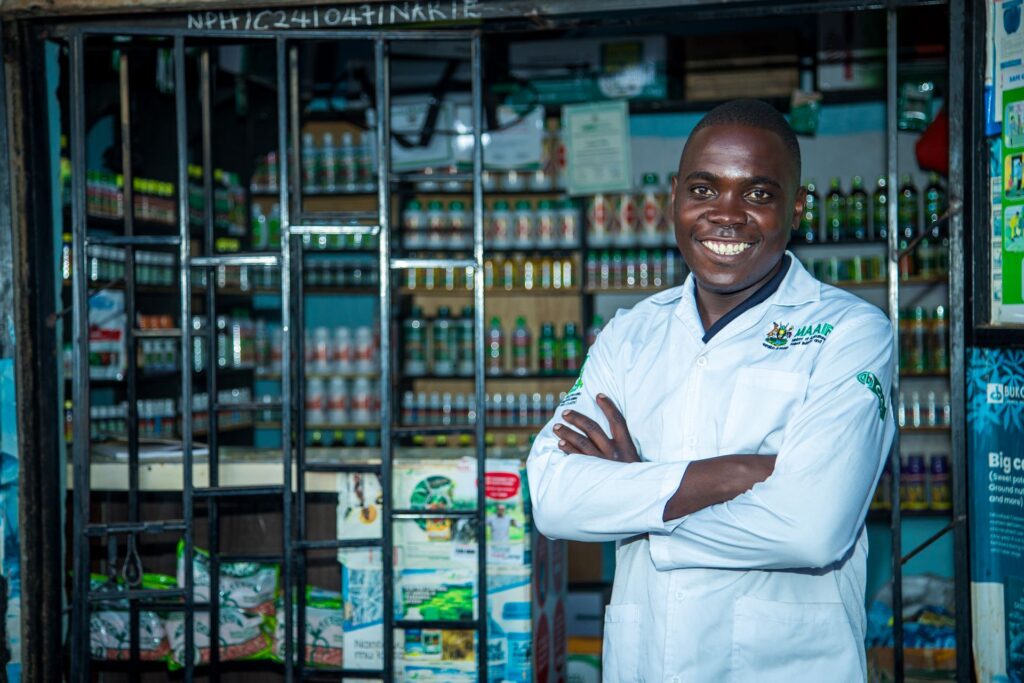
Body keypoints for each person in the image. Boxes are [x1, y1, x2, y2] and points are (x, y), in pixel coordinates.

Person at [527, 99, 895, 682]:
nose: (726, 215)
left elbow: (811, 530)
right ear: (674, 196)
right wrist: (737, 473)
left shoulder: (849, 331)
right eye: (704, 189)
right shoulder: (629, 334)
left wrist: (634, 499)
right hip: (646, 662)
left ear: (796, 207)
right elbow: (553, 498)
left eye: (758, 194)